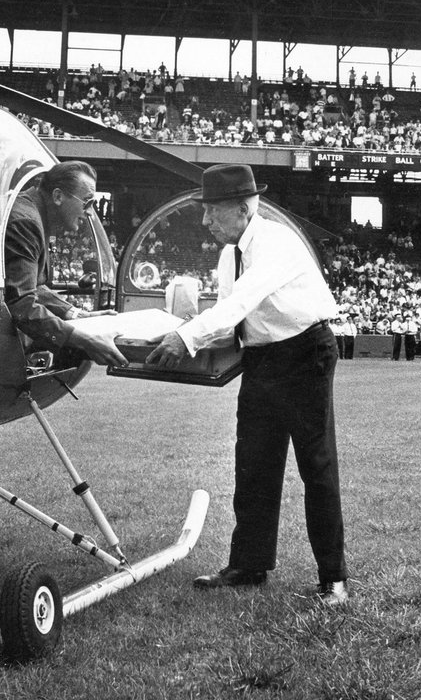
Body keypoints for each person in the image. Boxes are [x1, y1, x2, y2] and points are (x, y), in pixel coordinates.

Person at [146, 164, 348, 607]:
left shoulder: (276, 242)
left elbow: (242, 300)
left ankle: (333, 579)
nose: (205, 221)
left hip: (304, 354)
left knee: (316, 465)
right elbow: (231, 320)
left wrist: (186, 337)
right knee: (253, 463)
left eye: (212, 211)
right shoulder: (228, 255)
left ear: (243, 207)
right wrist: (173, 331)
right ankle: (249, 564)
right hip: (261, 360)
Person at [4, 160, 128, 368]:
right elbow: (22, 304)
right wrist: (86, 340)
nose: (89, 213)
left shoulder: (32, 213)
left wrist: (77, 315)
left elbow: (32, 287)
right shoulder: (26, 221)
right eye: (87, 202)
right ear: (58, 196)